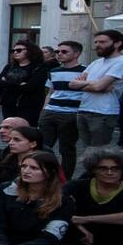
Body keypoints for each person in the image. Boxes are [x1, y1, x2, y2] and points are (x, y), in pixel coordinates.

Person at [66, 147, 123, 245]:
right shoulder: (78, 185)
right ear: (93, 170)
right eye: (103, 168)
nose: (110, 172)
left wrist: (87, 219)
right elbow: (54, 203)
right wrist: (80, 226)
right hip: (83, 236)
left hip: (117, 240)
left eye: (115, 169)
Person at [70, 29, 123, 149]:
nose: (97, 45)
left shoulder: (122, 62)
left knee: (99, 152)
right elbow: (72, 84)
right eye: (96, 42)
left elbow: (99, 86)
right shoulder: (96, 62)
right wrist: (96, 84)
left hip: (103, 112)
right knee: (87, 149)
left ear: (117, 43)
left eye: (102, 42)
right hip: (84, 109)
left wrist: (86, 84)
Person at [37, 41, 85, 178]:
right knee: (43, 146)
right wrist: (44, 110)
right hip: (50, 111)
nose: (59, 54)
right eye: (58, 52)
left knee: (66, 149)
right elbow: (51, 91)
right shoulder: (54, 71)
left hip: (70, 114)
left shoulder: (85, 71)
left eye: (64, 52)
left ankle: (65, 178)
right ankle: (43, 174)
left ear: (76, 54)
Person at [0, 125, 44, 219]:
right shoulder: (5, 163)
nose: (11, 143)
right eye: (10, 139)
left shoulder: (43, 165)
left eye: (17, 140)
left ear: (33, 144)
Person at [0, 40, 47, 128]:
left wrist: (7, 83)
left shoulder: (38, 68)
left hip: (29, 105)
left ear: (29, 51)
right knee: (10, 130)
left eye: (19, 50)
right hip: (9, 103)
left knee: (25, 131)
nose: (15, 52)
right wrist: (19, 84)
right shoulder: (9, 67)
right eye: (14, 51)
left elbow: (30, 87)